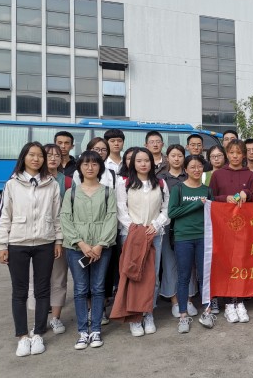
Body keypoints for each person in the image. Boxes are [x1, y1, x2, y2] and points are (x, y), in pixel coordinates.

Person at [0, 142, 62, 357]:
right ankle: (22, 336)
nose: (36, 159)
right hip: (18, 242)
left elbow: (58, 215)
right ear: (24, 157)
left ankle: (39, 333)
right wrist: (1, 245)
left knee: (42, 290)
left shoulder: (51, 184)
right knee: (20, 291)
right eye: (31, 155)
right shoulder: (12, 184)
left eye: (40, 156)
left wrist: (58, 240)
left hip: (45, 242)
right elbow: (3, 216)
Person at [61, 151, 117, 350]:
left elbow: (111, 218)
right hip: (76, 248)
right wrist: (81, 244)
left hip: (102, 247)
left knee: (98, 288)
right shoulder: (71, 193)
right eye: (85, 164)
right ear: (80, 168)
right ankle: (83, 331)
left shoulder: (108, 192)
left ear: (100, 167)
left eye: (94, 164)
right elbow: (65, 219)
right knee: (80, 289)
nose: (90, 167)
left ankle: (96, 330)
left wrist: (100, 244)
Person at [115, 147, 170, 336]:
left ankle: (149, 313)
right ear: (133, 163)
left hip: (155, 235)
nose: (143, 164)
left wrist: (156, 224)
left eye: (146, 160)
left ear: (152, 163)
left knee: (152, 277)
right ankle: (135, 317)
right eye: (139, 161)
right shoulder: (124, 183)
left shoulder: (160, 183)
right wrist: (133, 227)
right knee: (133, 274)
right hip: (132, 235)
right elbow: (121, 209)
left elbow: (166, 208)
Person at [209, 139, 253, 323]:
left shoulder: (250, 176)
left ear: (244, 155)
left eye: (238, 153)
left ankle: (240, 301)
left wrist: (248, 194)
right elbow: (211, 198)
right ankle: (229, 303)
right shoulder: (218, 175)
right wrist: (225, 198)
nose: (235, 156)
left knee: (242, 262)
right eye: (231, 153)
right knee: (225, 263)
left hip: (245, 228)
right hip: (223, 228)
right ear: (227, 154)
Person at [168, 154, 216, 332]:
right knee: (184, 276)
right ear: (186, 169)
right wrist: (196, 204)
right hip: (183, 238)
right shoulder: (178, 189)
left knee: (205, 276)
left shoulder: (207, 190)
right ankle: (183, 316)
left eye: (199, 167)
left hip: (204, 237)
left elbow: (213, 212)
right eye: (192, 167)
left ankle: (207, 311)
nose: (197, 170)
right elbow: (172, 213)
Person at [157, 145, 197, 319]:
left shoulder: (190, 175)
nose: (176, 159)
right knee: (170, 263)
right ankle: (174, 301)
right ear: (167, 157)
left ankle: (188, 300)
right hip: (167, 225)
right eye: (173, 155)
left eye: (180, 155)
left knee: (189, 264)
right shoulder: (160, 178)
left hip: (189, 225)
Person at [42, 144, 71, 335]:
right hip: (37, 237)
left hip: (61, 235)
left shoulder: (67, 182)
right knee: (38, 279)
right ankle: (39, 319)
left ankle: (55, 318)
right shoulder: (33, 180)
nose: (53, 158)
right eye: (49, 155)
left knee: (58, 278)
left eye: (57, 155)